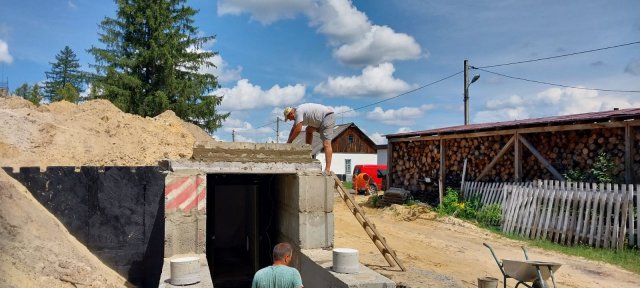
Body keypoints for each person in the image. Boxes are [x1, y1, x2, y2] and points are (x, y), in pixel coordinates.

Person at [284, 103, 335, 174]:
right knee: (308, 130)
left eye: (289, 118)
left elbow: (298, 129)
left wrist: (290, 141)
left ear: (291, 113)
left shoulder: (298, 112)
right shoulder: (297, 113)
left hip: (327, 117)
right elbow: (293, 129)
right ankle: (308, 153)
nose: (290, 120)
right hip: (320, 122)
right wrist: (288, 142)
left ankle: (327, 170)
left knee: (326, 144)